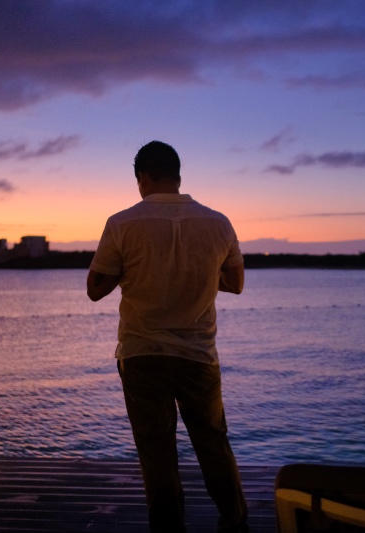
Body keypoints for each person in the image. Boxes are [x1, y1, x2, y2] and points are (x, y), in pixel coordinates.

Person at [86, 141, 248, 533]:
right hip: (198, 355)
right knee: (213, 444)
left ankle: (169, 529)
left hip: (143, 355)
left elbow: (95, 288)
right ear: (178, 176)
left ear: (142, 177)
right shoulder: (219, 222)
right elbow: (235, 283)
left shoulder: (122, 223)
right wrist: (195, 274)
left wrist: (136, 271)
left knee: (157, 454)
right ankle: (236, 521)